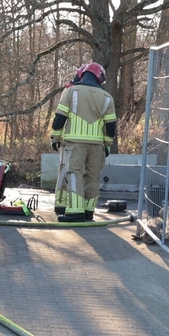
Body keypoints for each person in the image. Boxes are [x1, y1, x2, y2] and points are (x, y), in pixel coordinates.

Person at [50, 61, 117, 222]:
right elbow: (111, 127)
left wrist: (55, 138)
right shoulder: (107, 98)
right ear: (100, 78)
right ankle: (88, 211)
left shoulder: (71, 92)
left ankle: (75, 212)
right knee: (93, 177)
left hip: (74, 144)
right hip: (97, 146)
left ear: (82, 74)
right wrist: (107, 145)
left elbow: (59, 118)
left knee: (74, 175)